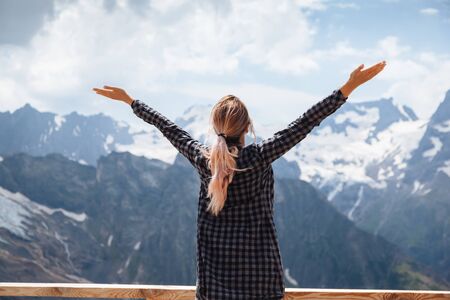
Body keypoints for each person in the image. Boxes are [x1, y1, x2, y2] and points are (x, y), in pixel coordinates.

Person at [92, 60, 387, 300]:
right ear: (247, 126)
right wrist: (348, 87)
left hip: (213, 291)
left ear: (215, 127)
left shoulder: (204, 160)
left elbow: (167, 127)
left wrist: (131, 101)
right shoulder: (260, 157)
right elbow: (305, 123)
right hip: (262, 287)